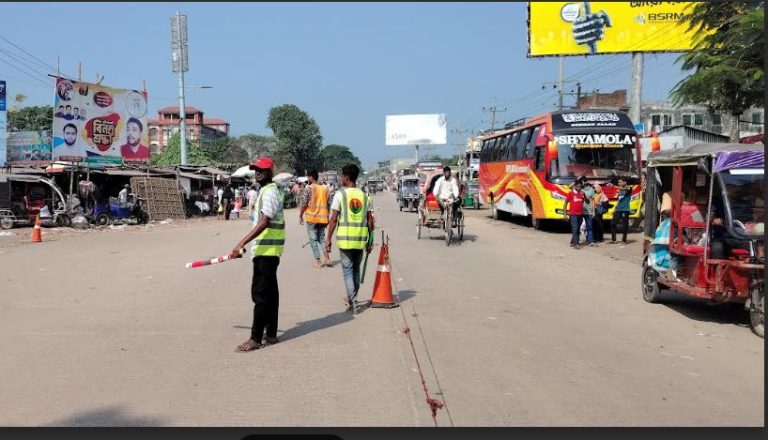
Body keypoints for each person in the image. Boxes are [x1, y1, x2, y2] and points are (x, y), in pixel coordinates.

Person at [228, 157, 285, 352]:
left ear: (269, 172)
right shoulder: (267, 191)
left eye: (261, 170)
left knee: (260, 295)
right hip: (268, 250)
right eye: (255, 170)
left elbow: (264, 222)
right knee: (270, 293)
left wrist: (241, 243)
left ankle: (255, 338)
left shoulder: (269, 192)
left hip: (266, 251)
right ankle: (270, 334)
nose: (257, 173)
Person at [324, 164, 374, 313]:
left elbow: (333, 219)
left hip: (345, 240)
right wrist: (370, 240)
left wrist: (328, 239)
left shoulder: (340, 195)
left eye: (341, 176)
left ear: (346, 177)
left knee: (347, 271)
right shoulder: (365, 197)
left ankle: (353, 302)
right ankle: (352, 298)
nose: (340, 179)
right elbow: (370, 221)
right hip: (360, 239)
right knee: (356, 271)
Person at [300, 171, 331, 268]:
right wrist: (327, 217)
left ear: (311, 177)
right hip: (322, 218)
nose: (307, 179)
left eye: (308, 177)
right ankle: (327, 258)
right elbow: (328, 204)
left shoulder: (308, 188)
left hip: (311, 217)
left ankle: (318, 261)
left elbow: (304, 203)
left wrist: (300, 215)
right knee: (321, 238)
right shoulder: (325, 188)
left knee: (313, 240)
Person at [563, 181, 585, 248]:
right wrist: (565, 214)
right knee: (575, 228)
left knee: (578, 229)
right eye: (578, 186)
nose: (579, 188)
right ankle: (576, 244)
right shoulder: (571, 194)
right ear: (575, 186)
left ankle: (573, 242)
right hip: (573, 214)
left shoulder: (582, 194)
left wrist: (585, 196)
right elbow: (565, 204)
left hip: (580, 214)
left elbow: (586, 201)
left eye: (580, 187)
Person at [611, 177, 632, 245]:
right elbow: (619, 200)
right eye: (618, 182)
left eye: (620, 182)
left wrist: (614, 186)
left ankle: (624, 240)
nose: (619, 183)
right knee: (613, 223)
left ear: (625, 182)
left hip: (625, 210)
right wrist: (615, 208)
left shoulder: (629, 187)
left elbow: (625, 189)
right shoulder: (620, 190)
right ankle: (614, 240)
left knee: (624, 225)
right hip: (618, 209)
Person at [581, 182, 596, 246]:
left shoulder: (591, 190)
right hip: (580, 211)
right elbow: (570, 187)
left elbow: (593, 201)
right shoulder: (579, 189)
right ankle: (575, 241)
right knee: (578, 226)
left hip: (589, 211)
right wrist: (578, 179)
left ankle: (590, 241)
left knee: (589, 227)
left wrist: (593, 210)